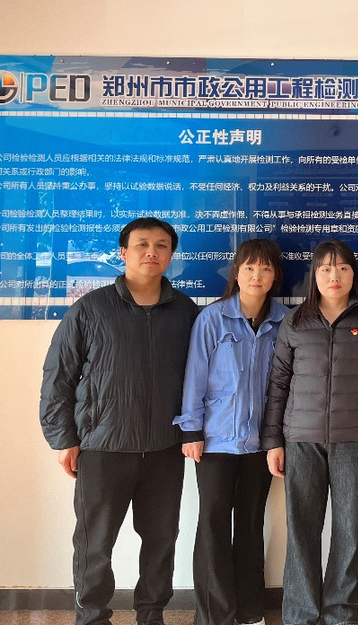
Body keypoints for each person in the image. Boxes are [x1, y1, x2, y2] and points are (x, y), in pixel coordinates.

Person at [40, 217, 199, 625]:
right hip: (102, 448)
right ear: (124, 252)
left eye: (161, 245)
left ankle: (151, 615)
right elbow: (58, 375)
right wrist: (63, 438)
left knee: (161, 541)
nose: (152, 252)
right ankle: (92, 617)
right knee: (95, 545)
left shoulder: (185, 311)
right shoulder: (90, 308)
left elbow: (201, 377)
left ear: (171, 255)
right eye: (142, 244)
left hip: (164, 449)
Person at [262, 240, 358, 625]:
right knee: (301, 529)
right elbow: (278, 383)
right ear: (314, 275)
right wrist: (273, 441)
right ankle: (300, 612)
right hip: (301, 440)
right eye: (326, 268)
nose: (335, 276)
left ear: (354, 274)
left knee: (352, 529)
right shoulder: (295, 322)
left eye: (343, 268)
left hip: (357, 439)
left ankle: (343, 611)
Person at [174, 239, 290, 625]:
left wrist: (279, 439)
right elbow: (195, 376)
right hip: (215, 441)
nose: (257, 276)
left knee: (251, 524)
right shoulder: (213, 319)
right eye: (249, 268)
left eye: (266, 268)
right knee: (213, 524)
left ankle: (250, 611)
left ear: (275, 276)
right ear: (236, 273)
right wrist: (191, 430)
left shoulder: (285, 322)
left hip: (262, 443)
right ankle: (214, 615)